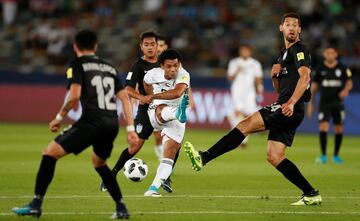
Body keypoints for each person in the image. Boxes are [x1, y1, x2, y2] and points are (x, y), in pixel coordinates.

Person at [183, 12, 322, 206]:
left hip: (289, 107)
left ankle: (204, 157)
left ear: (299, 30)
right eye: (287, 24)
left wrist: (290, 102)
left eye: (295, 25)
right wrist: (275, 77)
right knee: (274, 156)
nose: (291, 27)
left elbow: (305, 77)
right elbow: (279, 90)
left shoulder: (300, 49)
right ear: (281, 28)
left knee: (245, 124)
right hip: (288, 106)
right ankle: (310, 193)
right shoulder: (282, 55)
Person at [12, 30, 138, 219]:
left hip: (91, 121)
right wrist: (130, 128)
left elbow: (74, 96)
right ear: (95, 46)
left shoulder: (77, 65)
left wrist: (59, 117)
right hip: (111, 123)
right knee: (99, 162)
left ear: (75, 47)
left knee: (49, 153)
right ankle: (121, 208)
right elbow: (125, 99)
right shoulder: (110, 67)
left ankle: (36, 204)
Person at [100, 31, 174, 193]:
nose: (149, 47)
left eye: (152, 44)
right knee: (134, 147)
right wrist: (142, 97)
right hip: (146, 110)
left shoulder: (166, 64)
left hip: (166, 109)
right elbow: (127, 89)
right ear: (141, 47)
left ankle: (165, 178)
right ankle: (111, 175)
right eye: (146, 45)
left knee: (172, 143)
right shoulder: (138, 66)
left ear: (156, 46)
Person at [143, 49, 190, 197]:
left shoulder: (183, 74)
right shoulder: (153, 74)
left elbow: (177, 93)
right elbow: (146, 83)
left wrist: (153, 95)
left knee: (170, 153)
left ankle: (153, 189)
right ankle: (177, 113)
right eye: (169, 66)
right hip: (157, 112)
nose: (173, 69)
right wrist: (152, 97)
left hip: (177, 117)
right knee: (162, 108)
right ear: (162, 66)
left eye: (176, 65)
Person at [307, 46, 353, 164]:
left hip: (338, 103)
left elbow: (349, 82)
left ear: (336, 54)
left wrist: (346, 90)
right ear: (325, 55)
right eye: (327, 53)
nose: (330, 55)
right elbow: (314, 87)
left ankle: (336, 155)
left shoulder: (342, 68)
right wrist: (311, 104)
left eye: (332, 53)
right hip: (324, 103)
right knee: (324, 127)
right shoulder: (319, 68)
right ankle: (323, 155)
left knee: (338, 128)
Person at [227, 44, 264, 147]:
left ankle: (243, 136)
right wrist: (237, 71)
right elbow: (230, 78)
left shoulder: (255, 64)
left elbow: (258, 78)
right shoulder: (234, 62)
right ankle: (240, 140)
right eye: (242, 50)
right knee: (238, 114)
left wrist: (260, 90)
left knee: (250, 116)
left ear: (249, 52)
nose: (244, 52)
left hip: (250, 93)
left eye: (246, 51)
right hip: (237, 92)